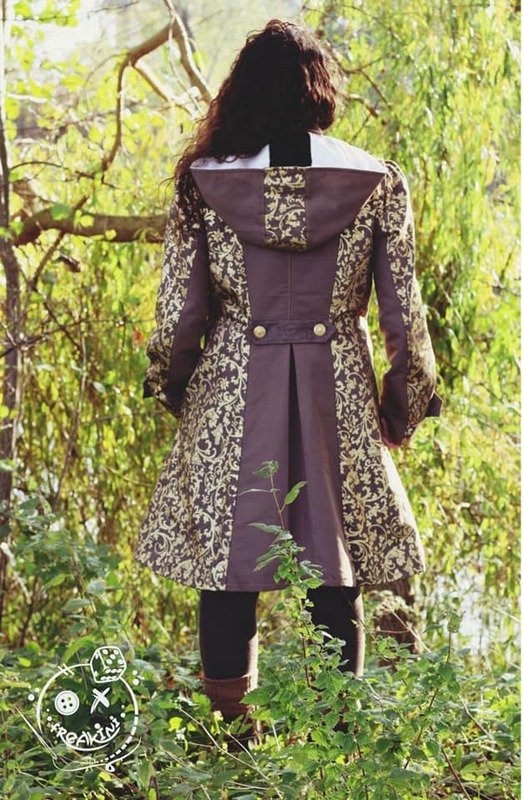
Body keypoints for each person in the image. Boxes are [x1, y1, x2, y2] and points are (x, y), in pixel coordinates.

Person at [134, 19, 443, 749]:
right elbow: (405, 318)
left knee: (227, 564)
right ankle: (336, 738)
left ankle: (230, 735)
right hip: (340, 388)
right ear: (320, 93)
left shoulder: (204, 184)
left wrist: (177, 388)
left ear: (244, 92)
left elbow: (178, 315)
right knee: (335, 562)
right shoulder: (377, 181)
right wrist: (400, 409)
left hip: (232, 385)